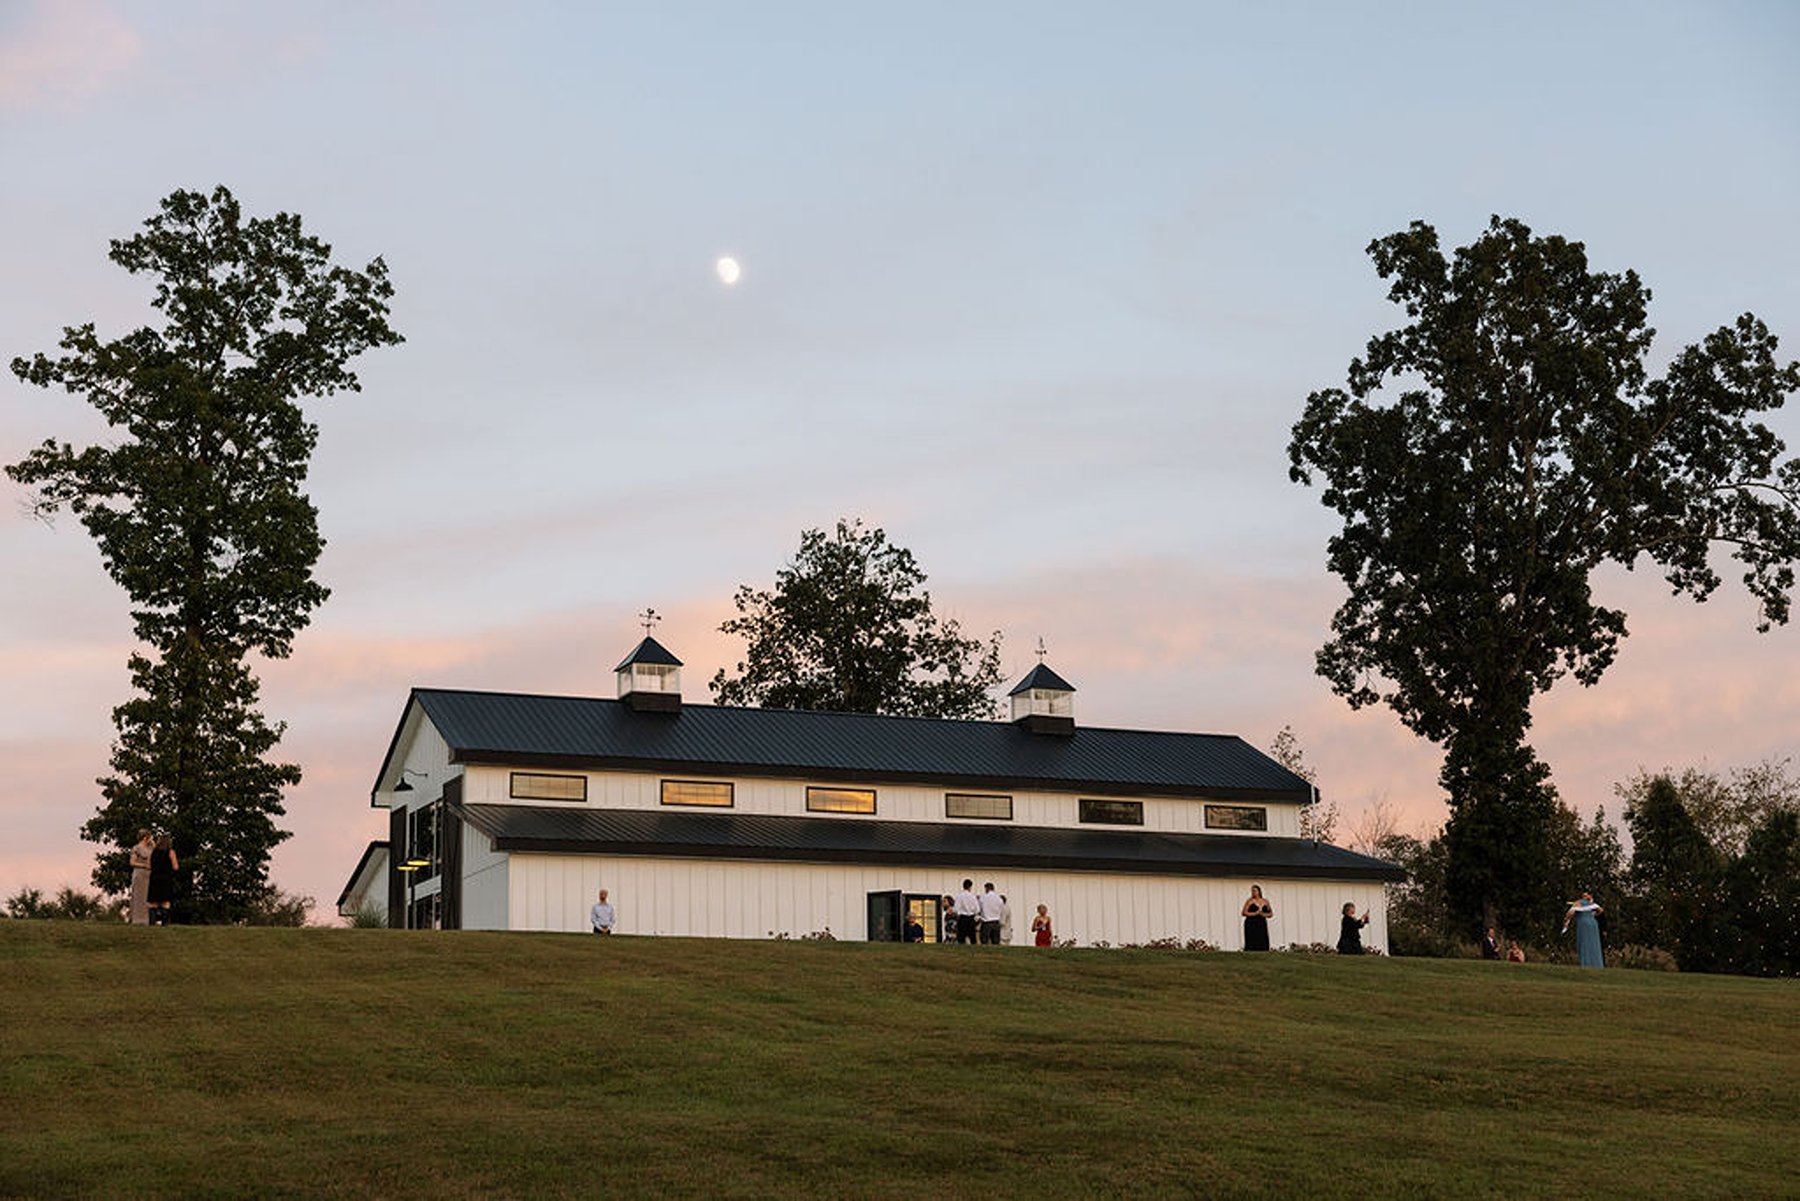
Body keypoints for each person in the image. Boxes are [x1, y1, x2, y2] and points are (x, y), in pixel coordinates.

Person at [1564, 891, 1604, 968]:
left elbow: (1570, 913)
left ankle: (1586, 963)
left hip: (1583, 923)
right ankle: (1596, 964)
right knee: (1593, 943)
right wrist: (1593, 915)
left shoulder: (1578, 903)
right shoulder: (1592, 904)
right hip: (1593, 923)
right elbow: (1601, 910)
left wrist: (1566, 919)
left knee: (1584, 942)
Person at [147, 834, 178, 926]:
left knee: (153, 902)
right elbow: (175, 866)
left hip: (154, 878)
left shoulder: (154, 852)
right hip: (165, 878)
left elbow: (149, 865)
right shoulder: (171, 852)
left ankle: (152, 923)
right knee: (165, 902)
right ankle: (165, 923)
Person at [129, 829, 155, 925]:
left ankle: (148, 919)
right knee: (139, 896)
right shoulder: (136, 848)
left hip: (149, 875)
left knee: (148, 897)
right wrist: (144, 866)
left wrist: (153, 843)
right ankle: (138, 919)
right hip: (140, 874)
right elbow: (132, 862)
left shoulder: (150, 848)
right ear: (145, 837)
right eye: (150, 837)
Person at [1240, 884, 1273, 951]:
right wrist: (1255, 913)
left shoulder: (1265, 901)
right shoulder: (1250, 901)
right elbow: (1244, 912)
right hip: (1251, 923)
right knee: (1252, 938)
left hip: (1261, 922)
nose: (1253, 892)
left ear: (1259, 891)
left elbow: (1270, 914)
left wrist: (1263, 914)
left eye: (1255, 891)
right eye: (1252, 891)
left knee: (1262, 938)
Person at [954, 880, 980, 945]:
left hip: (962, 918)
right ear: (970, 887)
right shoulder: (973, 897)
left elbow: (956, 909)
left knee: (961, 938)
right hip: (971, 918)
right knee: (972, 938)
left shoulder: (959, 896)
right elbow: (977, 909)